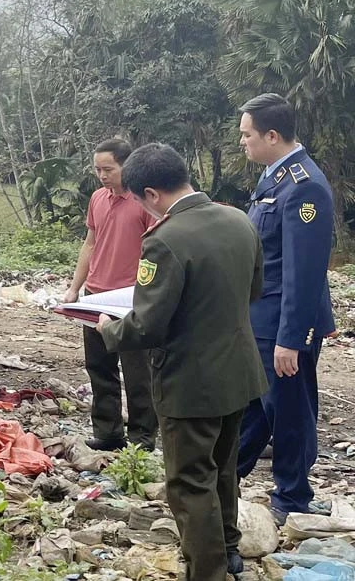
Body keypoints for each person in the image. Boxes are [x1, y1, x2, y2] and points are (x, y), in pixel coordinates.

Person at [96, 143, 267, 580]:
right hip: (239, 373)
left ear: (151, 193)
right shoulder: (239, 220)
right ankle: (228, 549)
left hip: (191, 383)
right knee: (223, 468)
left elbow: (148, 326)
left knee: (190, 482)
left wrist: (108, 329)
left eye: (139, 200)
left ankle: (206, 571)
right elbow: (253, 291)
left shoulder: (165, 240)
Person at [235, 93, 334, 524]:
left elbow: (303, 272)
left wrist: (291, 339)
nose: (243, 143)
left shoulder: (303, 185)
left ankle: (292, 497)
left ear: (272, 135)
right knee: (258, 406)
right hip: (262, 318)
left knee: (288, 410)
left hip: (284, 324)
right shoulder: (276, 179)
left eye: (247, 135)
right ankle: (221, 476)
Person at [63, 139, 158, 451]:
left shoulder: (144, 201)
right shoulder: (98, 199)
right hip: (95, 294)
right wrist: (75, 288)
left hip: (130, 298)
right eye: (97, 169)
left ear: (125, 166)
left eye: (108, 169)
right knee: (100, 366)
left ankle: (142, 437)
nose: (102, 175)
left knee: (137, 371)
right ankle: (108, 432)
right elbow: (90, 243)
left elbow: (156, 249)